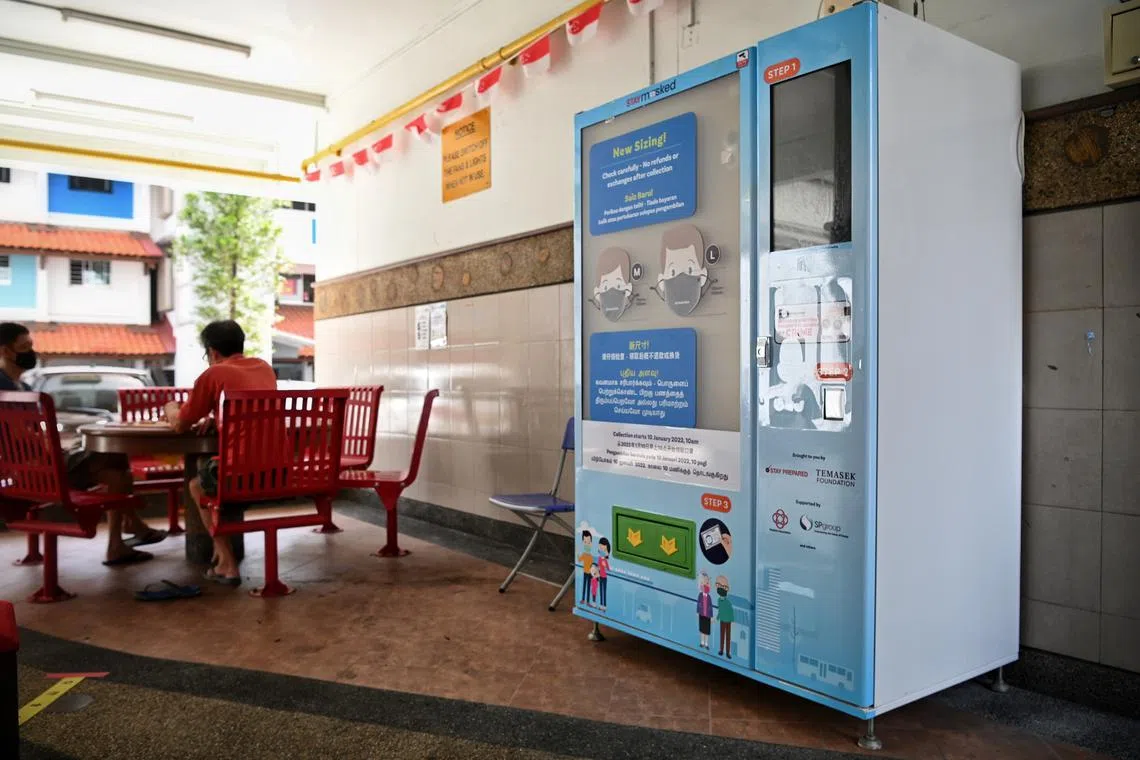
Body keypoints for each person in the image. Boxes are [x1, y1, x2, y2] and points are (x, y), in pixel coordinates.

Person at [0, 322, 165, 565]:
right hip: (39, 472)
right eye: (25, 347)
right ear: (5, 351)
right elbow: (19, 437)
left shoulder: (22, 386)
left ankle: (120, 541)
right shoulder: (6, 389)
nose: (31, 352)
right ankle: (131, 526)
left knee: (115, 472)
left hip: (36, 469)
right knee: (114, 456)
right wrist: (50, 449)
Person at [163, 320, 277, 586]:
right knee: (211, 471)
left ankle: (226, 561)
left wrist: (170, 408)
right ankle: (223, 554)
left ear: (212, 352)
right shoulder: (264, 368)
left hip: (240, 475)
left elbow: (181, 424)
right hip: (275, 472)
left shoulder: (214, 374)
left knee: (197, 485)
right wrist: (219, 416)